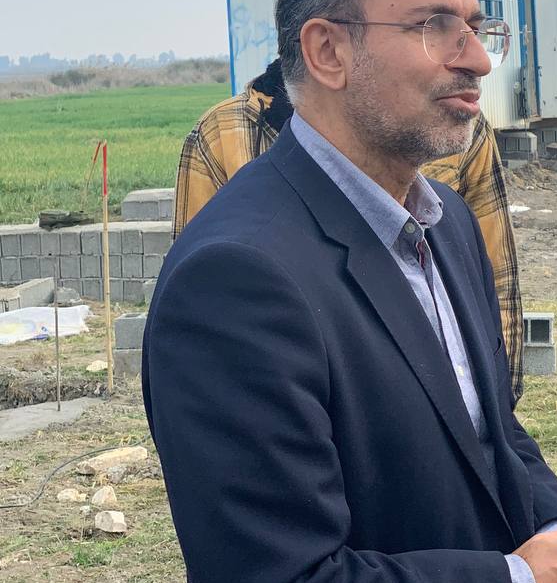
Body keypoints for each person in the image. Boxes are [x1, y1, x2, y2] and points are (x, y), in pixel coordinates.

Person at [144, 0, 557, 583]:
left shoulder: (446, 223)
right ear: (328, 51)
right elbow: (281, 582)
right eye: (435, 25)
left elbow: (491, 435)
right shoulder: (235, 280)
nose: (478, 59)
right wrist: (518, 582)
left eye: (476, 27)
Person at [172, 56, 526, 400]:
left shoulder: (455, 122)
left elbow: (497, 286)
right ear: (323, 46)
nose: (477, 59)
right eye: (423, 27)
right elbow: (201, 315)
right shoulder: (224, 135)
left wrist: (499, 406)